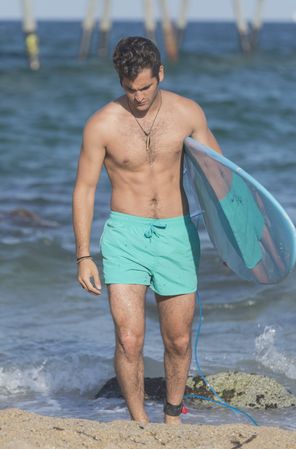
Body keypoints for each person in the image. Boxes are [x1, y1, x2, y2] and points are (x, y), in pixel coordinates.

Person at [72, 36, 222, 425]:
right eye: (129, 89)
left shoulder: (188, 113)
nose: (138, 97)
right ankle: (139, 423)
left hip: (176, 233)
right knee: (129, 339)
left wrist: (236, 237)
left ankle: (173, 417)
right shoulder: (102, 124)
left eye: (146, 87)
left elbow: (221, 178)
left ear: (161, 73)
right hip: (125, 234)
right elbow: (85, 189)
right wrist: (83, 254)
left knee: (179, 339)